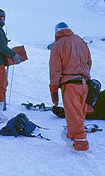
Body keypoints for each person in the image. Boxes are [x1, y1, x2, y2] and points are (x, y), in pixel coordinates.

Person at [49, 22, 92, 152]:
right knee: (78, 114)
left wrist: (54, 89)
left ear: (57, 32)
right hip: (84, 83)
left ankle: (80, 146)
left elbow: (55, 69)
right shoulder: (80, 41)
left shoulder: (58, 45)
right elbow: (89, 61)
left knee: (73, 114)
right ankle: (72, 138)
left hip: (70, 83)